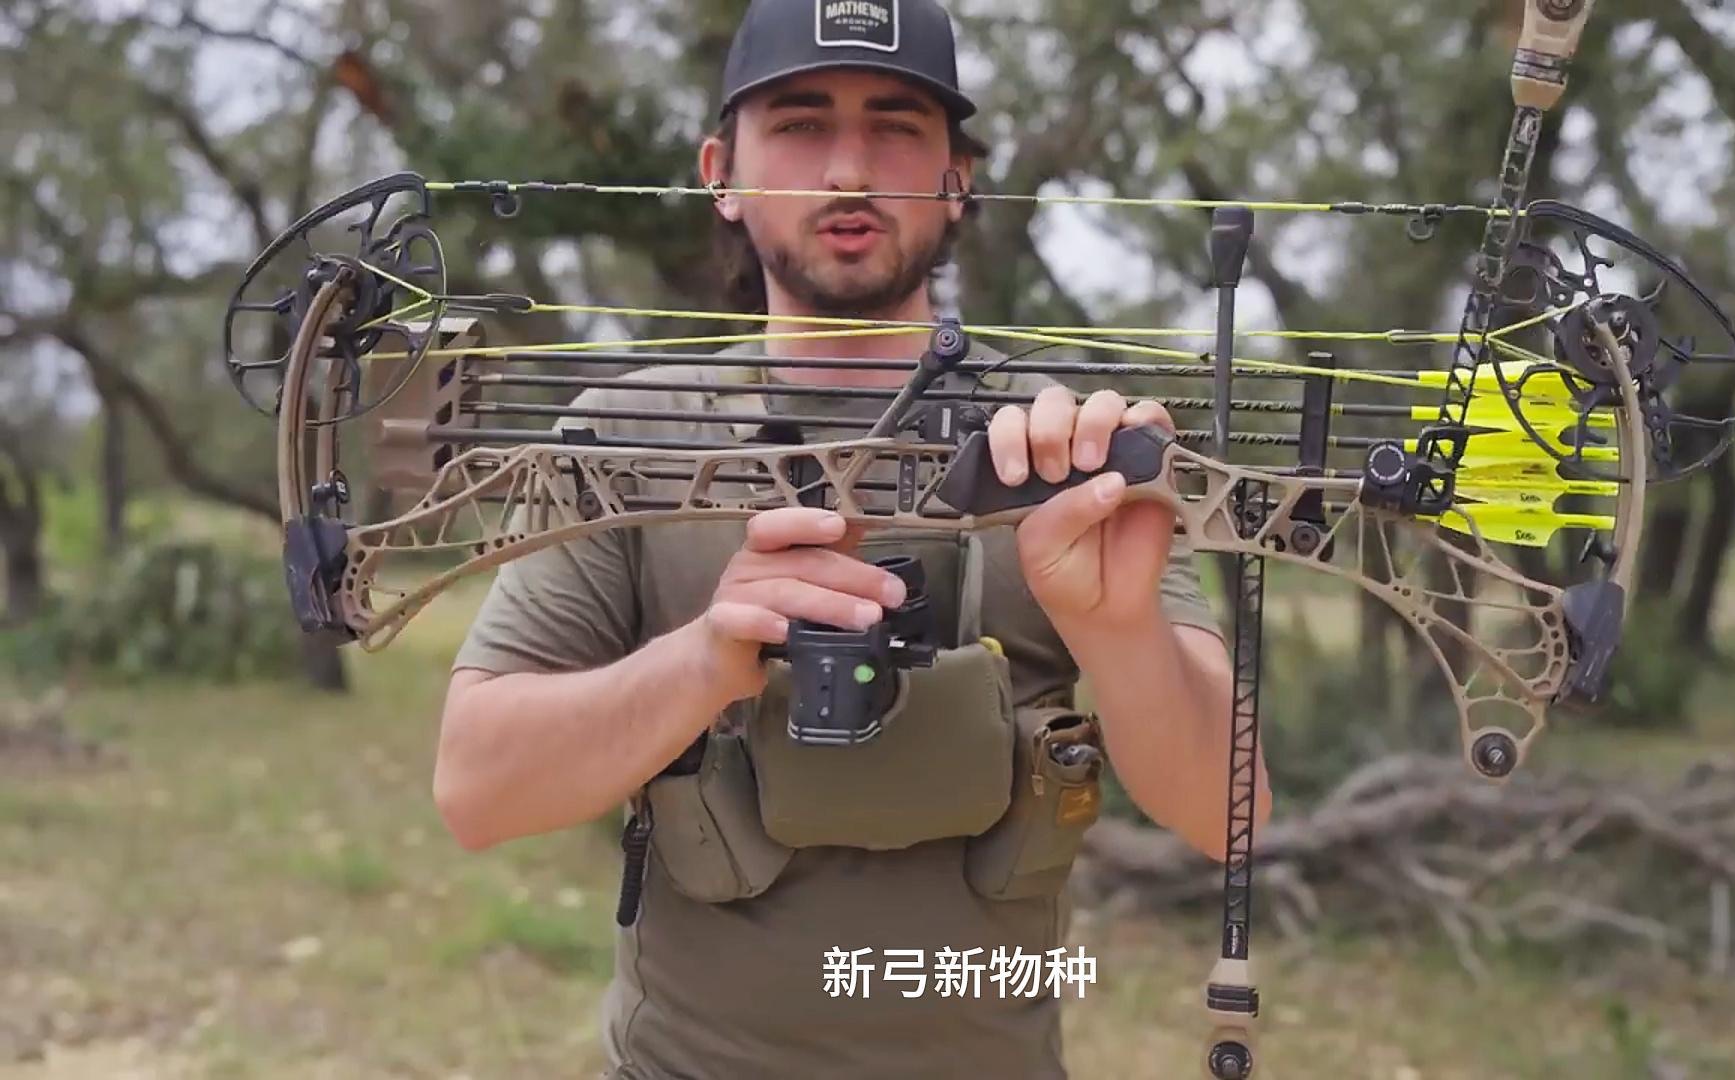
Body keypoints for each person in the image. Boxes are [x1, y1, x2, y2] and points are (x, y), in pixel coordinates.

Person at [433, 1, 1272, 1076]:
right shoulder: (625, 435)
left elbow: (1229, 819)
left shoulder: (1077, 450)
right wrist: (707, 659)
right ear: (720, 172)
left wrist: (1115, 628)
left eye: (896, 127)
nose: (847, 169)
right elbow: (477, 790)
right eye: (797, 124)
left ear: (960, 174)